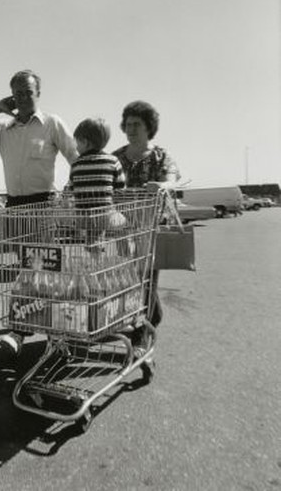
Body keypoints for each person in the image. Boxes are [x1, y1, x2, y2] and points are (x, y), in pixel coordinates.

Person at [0, 69, 78, 355]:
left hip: (44, 205)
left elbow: (76, 156)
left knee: (48, 271)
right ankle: (22, 332)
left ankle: (55, 336)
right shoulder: (3, 129)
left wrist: (71, 187)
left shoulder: (52, 123)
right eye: (17, 93)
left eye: (28, 91)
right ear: (10, 96)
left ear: (38, 93)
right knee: (27, 272)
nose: (23, 97)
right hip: (16, 208)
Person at [111, 100, 180, 380]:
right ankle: (150, 323)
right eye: (127, 124)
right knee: (131, 285)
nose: (130, 129)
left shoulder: (161, 157)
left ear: (149, 127)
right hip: (123, 231)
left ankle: (141, 343)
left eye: (136, 124)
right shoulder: (116, 157)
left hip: (151, 231)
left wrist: (163, 184)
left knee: (147, 283)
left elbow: (174, 178)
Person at [69, 118, 125, 210]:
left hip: (82, 218)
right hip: (106, 217)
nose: (76, 146)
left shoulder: (76, 164)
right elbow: (120, 188)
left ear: (85, 142)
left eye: (77, 142)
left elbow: (72, 188)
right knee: (128, 222)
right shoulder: (113, 161)